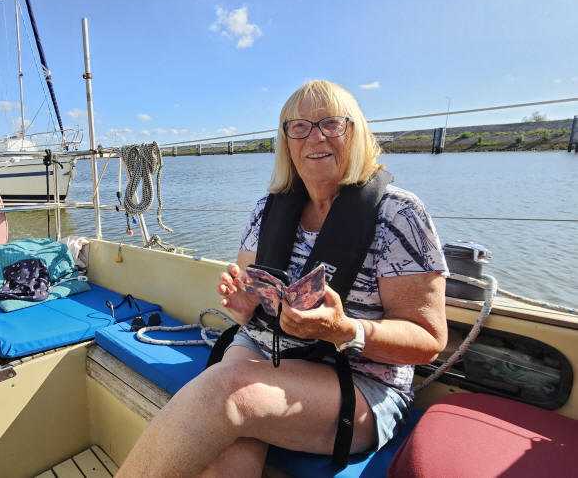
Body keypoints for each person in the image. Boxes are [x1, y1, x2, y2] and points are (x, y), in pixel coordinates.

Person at [116, 80, 448, 477]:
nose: (315, 137)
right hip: (261, 349)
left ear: (355, 132)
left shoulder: (399, 214)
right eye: (300, 127)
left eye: (330, 123)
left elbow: (429, 340)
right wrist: (244, 307)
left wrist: (343, 330)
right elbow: (248, 309)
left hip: (359, 380)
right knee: (224, 446)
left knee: (225, 393)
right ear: (287, 142)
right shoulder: (267, 210)